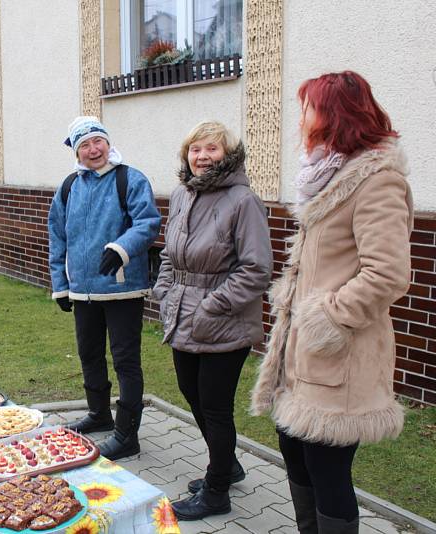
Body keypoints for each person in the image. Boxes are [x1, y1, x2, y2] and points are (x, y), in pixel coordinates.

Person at [251, 71, 413, 534]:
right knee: (296, 458)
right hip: (298, 356)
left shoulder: (377, 180)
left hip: (337, 356)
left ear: (335, 115)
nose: (301, 118)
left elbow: (388, 273)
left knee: (328, 473)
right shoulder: (326, 174)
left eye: (308, 108)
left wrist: (328, 317)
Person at [152, 121, 271, 520]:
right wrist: (165, 291)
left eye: (212, 150)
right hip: (182, 314)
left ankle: (217, 491)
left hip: (224, 322)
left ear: (228, 155)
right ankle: (227, 465)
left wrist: (213, 305)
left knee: (216, 408)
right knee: (193, 396)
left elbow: (256, 269)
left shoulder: (243, 200)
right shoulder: (184, 194)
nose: (202, 157)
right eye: (195, 149)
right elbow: (169, 253)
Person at [48, 116, 161, 460]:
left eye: (98, 141)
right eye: (85, 145)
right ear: (76, 152)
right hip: (83, 291)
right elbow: (57, 235)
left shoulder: (131, 179)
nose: (94, 149)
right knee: (90, 354)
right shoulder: (69, 186)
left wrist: (121, 248)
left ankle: (127, 435)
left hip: (121, 289)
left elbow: (148, 223)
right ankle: (99, 415)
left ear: (108, 143)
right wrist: (61, 284)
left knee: (126, 361)